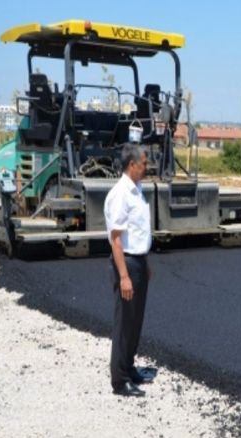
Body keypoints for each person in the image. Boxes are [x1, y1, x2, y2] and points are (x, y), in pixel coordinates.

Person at [104, 143, 154, 397]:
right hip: (126, 263)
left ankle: (129, 366)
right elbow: (116, 239)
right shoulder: (120, 194)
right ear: (132, 165)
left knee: (135, 321)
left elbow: (138, 232)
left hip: (139, 262)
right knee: (124, 322)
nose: (147, 167)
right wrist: (124, 275)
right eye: (144, 163)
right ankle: (119, 379)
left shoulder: (138, 190)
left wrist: (145, 264)